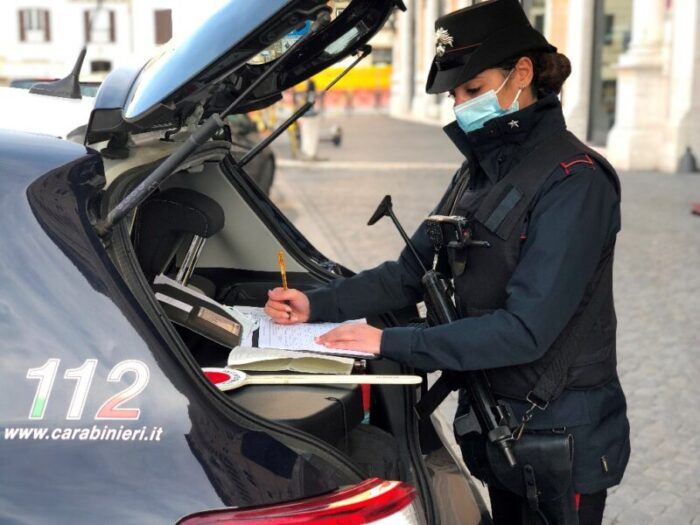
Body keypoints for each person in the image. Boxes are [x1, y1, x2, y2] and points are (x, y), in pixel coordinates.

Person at [265, 0, 630, 523]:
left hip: (561, 436)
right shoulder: (477, 172)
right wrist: (315, 304)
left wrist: (391, 342)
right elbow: (406, 275)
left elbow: (525, 329)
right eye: (455, 95)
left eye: (473, 90)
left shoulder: (575, 180)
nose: (460, 106)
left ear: (522, 74)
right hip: (500, 425)